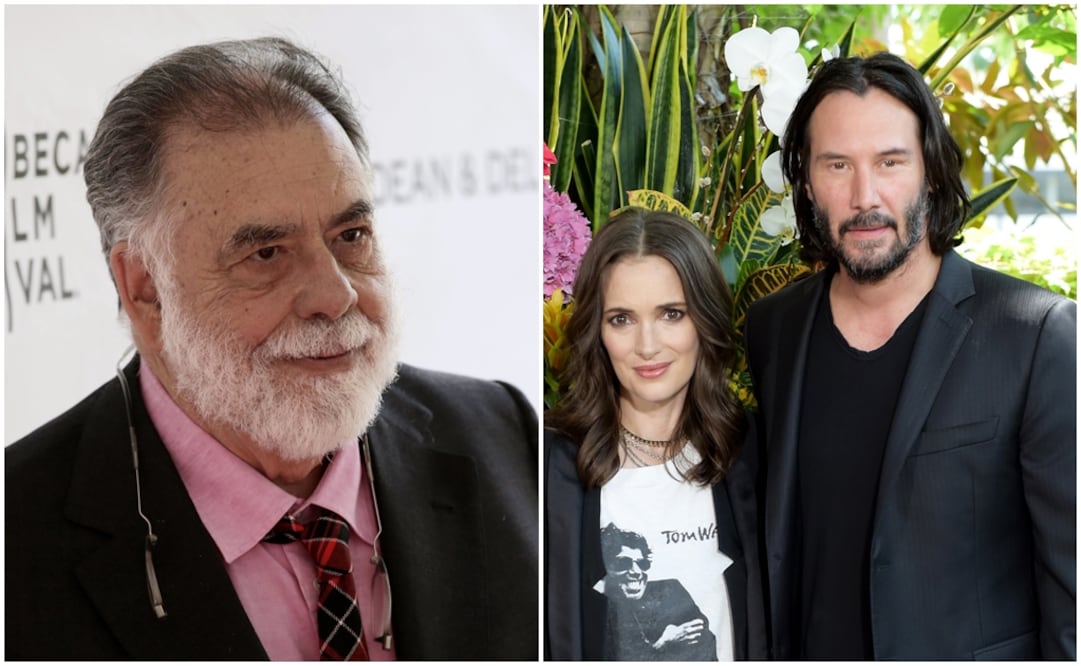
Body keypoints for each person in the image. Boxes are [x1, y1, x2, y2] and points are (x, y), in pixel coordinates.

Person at [5, 37, 537, 661]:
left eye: (352, 234)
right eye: (266, 254)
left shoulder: (501, 434)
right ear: (145, 288)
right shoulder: (18, 539)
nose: (334, 295)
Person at [745, 52, 1075, 660]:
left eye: (890, 162)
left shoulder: (1036, 336)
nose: (864, 195)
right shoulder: (773, 330)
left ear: (930, 170)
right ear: (807, 180)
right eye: (837, 164)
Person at [544, 208, 767, 661]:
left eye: (671, 313)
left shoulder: (753, 456)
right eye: (622, 319)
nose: (647, 345)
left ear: (703, 319)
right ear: (597, 331)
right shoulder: (551, 470)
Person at [599, 523, 718, 660]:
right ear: (605, 568)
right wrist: (663, 643)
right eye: (623, 563)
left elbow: (702, 633)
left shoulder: (670, 589)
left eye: (642, 564)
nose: (636, 572)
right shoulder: (600, 608)